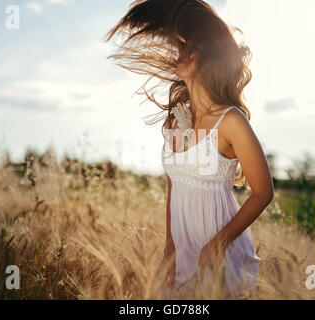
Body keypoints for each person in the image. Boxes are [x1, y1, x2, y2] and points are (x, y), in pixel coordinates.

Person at [105, 0, 274, 298]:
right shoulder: (179, 119)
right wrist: (169, 248)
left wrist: (218, 243)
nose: (180, 52)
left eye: (189, 47)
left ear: (208, 58)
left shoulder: (231, 121)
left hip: (219, 252)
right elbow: (175, 182)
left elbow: (263, 192)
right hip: (182, 252)